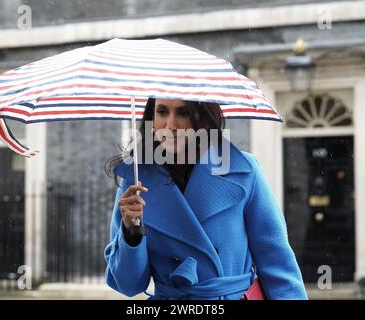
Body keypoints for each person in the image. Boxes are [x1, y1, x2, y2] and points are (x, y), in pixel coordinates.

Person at [103, 97, 308, 300]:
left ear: (202, 118)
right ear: (151, 116)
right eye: (162, 112)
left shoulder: (243, 170)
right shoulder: (136, 178)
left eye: (183, 113)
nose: (170, 125)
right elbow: (128, 285)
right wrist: (131, 233)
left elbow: (276, 262)